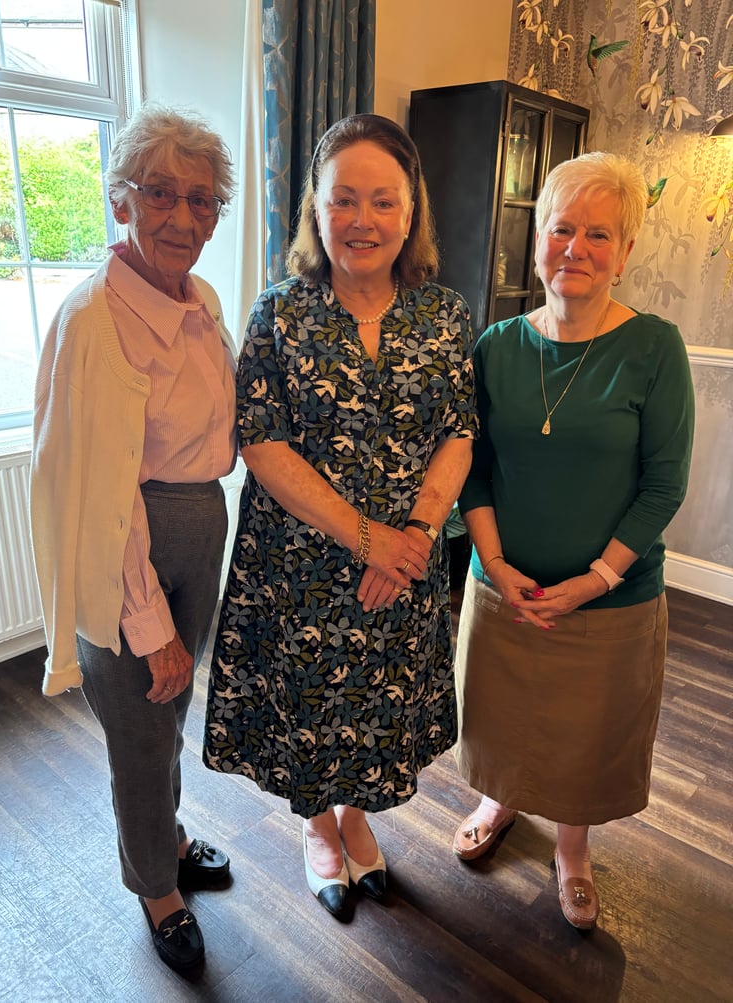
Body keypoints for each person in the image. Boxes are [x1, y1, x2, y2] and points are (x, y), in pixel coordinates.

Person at [203, 113, 477, 917]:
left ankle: (358, 818)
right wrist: (370, 540)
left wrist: (417, 536)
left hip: (407, 561)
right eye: (343, 199)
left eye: (382, 201)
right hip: (300, 565)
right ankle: (319, 827)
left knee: (373, 703)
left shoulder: (448, 316)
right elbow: (262, 441)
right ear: (315, 212)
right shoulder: (280, 312)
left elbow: (460, 431)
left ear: (410, 211)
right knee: (310, 706)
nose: (363, 220)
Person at [451, 151, 694, 930]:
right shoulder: (495, 346)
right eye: (562, 228)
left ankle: (574, 848)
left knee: (587, 738)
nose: (576, 248)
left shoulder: (654, 348)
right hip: (505, 585)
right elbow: (474, 470)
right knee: (505, 719)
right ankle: (502, 801)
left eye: (600, 233)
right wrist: (493, 563)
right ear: (538, 241)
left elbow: (663, 483)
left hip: (610, 597)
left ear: (625, 252)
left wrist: (596, 577)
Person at [30, 104, 237, 971]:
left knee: (166, 718)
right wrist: (148, 622)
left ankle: (170, 837)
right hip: (134, 546)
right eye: (160, 193)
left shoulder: (202, 299)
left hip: (196, 524)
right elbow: (105, 495)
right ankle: (156, 886)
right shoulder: (96, 321)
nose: (182, 217)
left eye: (202, 199)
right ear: (121, 201)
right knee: (140, 730)